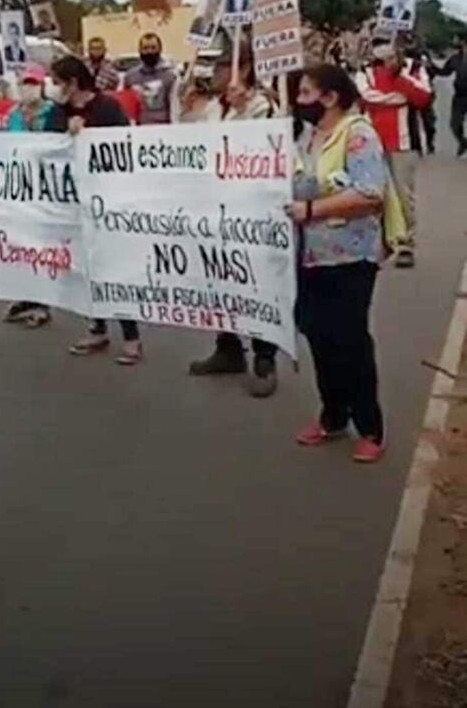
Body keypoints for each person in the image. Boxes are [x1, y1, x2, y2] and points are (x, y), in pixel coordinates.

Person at [288, 64, 388, 464]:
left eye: (306, 93)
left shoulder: (358, 134)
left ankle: (370, 428)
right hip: (311, 256)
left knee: (349, 341)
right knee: (317, 334)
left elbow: (370, 194)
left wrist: (311, 209)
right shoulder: (309, 137)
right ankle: (333, 416)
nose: (300, 101)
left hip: (350, 256)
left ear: (330, 97)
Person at [183, 39, 279, 397]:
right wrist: (188, 105)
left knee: (254, 281)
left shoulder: (263, 105)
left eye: (224, 66)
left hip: (252, 210)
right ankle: (228, 347)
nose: (217, 73)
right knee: (220, 278)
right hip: (214, 205)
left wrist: (240, 113)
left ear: (245, 68)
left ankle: (264, 358)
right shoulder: (214, 107)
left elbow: (264, 150)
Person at [46, 55, 142, 364]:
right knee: (88, 268)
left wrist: (89, 136)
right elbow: (44, 146)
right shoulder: (58, 112)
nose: (54, 88)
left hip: (108, 201)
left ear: (73, 82)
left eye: (58, 82)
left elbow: (124, 147)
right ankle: (97, 327)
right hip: (74, 203)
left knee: (116, 267)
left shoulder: (107, 108)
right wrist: (65, 133)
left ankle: (131, 336)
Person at [355, 38, 431, 268]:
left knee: (403, 194)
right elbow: (367, 97)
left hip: (404, 141)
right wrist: (399, 99)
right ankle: (378, 243)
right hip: (372, 141)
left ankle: (406, 244)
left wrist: (399, 77)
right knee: (373, 194)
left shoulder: (414, 68)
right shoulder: (366, 71)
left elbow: (423, 97)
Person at [2, 63, 55, 328]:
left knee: (41, 243)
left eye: (33, 83)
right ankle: (26, 296)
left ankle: (42, 301)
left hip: (45, 186)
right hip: (18, 187)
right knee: (20, 243)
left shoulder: (52, 111)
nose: (28, 88)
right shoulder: (13, 114)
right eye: (25, 83)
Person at [122, 33, 176, 125]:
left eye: (153, 47)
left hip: (163, 127)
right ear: (139, 50)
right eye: (145, 48)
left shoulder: (170, 76)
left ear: (160, 49)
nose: (149, 51)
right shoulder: (130, 76)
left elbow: (175, 107)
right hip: (138, 128)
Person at [435, 33, 467, 155]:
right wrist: (431, 67)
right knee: (454, 124)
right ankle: (463, 143)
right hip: (460, 95)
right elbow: (444, 72)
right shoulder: (455, 59)